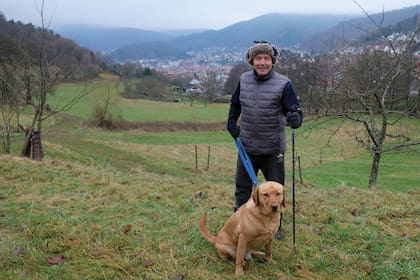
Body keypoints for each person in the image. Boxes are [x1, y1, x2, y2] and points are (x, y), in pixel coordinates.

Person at [226, 41, 303, 239]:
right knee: (242, 189)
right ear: (252, 61)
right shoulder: (244, 80)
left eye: (266, 58)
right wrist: (231, 123)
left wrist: (296, 118)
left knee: (275, 194)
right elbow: (235, 104)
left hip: (272, 149)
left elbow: (293, 109)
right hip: (247, 147)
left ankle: (275, 228)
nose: (262, 62)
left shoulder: (283, 83)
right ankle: (239, 223)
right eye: (258, 58)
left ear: (272, 61)